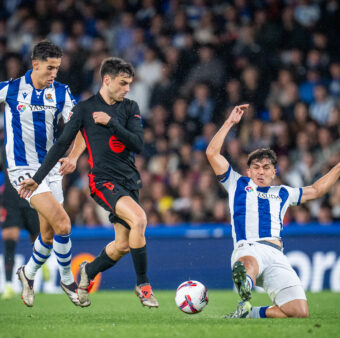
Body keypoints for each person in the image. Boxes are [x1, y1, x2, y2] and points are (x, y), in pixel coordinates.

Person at [18, 57, 159, 308]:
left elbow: (137, 144)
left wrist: (111, 122)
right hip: (102, 181)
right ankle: (143, 285)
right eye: (123, 83)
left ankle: (88, 272)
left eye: (129, 84)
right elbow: (61, 144)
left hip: (129, 182)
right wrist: (38, 179)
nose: (127, 88)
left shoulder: (130, 107)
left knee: (123, 245)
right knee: (139, 219)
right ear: (107, 80)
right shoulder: (84, 109)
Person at [206, 104, 340, 318]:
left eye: (266, 167)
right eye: (256, 167)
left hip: (276, 255)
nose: (261, 171)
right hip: (249, 248)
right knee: (248, 263)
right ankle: (245, 283)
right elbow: (212, 153)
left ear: (274, 172)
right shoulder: (236, 183)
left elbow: (317, 190)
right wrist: (230, 122)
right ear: (248, 170)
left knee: (298, 312)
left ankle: (247, 313)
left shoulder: (284, 192)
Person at [0, 40, 86, 307]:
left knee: (48, 235)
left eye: (57, 68)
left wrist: (73, 157)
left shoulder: (60, 92)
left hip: (50, 169)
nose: (54, 74)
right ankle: (66, 279)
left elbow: (80, 127)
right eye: (50, 68)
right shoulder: (11, 89)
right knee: (63, 224)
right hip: (22, 170)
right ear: (35, 64)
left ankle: (27, 274)